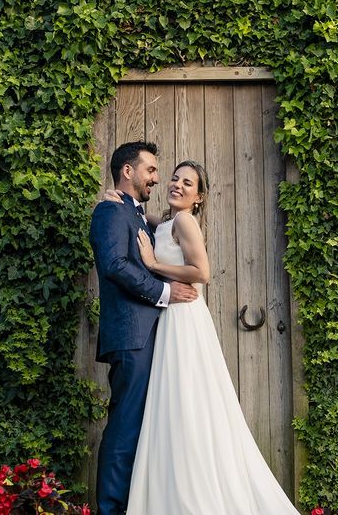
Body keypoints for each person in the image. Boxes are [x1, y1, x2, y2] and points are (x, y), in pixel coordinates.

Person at [103, 160, 299, 514]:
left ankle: (194, 493)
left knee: (188, 402)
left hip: (185, 320)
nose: (176, 184)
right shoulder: (165, 222)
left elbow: (202, 272)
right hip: (169, 322)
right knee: (173, 406)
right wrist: (121, 200)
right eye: (175, 178)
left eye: (187, 183)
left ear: (199, 197)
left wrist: (153, 265)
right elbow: (145, 224)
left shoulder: (185, 220)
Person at [89, 141, 199, 515]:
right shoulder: (111, 211)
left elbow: (161, 232)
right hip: (132, 334)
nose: (156, 178)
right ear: (127, 171)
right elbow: (115, 265)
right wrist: (165, 291)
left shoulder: (135, 214)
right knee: (125, 427)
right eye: (151, 170)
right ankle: (111, 509)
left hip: (150, 336)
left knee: (143, 426)